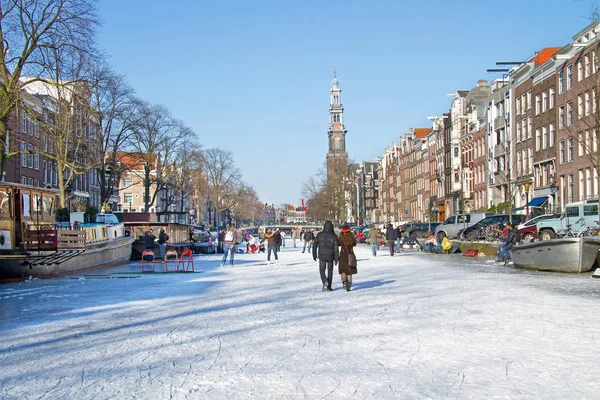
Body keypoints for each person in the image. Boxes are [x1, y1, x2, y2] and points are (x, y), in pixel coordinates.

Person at [312, 220, 339, 291]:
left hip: (322, 255)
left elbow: (314, 245)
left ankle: (325, 281)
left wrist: (314, 254)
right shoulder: (334, 236)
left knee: (322, 270)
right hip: (331, 256)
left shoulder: (319, 235)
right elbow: (336, 249)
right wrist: (336, 258)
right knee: (330, 271)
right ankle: (329, 286)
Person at [338, 225, 357, 291]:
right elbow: (354, 244)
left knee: (343, 270)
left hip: (343, 256)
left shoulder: (341, 237)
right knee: (349, 271)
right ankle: (349, 284)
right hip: (350, 255)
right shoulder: (351, 237)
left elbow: (338, 243)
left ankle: (344, 282)